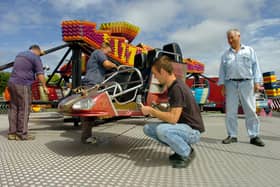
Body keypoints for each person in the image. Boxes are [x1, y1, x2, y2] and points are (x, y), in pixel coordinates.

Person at [141, 55, 205, 168]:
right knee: (148, 128)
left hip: (193, 131)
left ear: (163, 72)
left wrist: (152, 111)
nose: (155, 77)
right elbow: (175, 111)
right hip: (183, 127)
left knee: (162, 130)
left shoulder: (177, 88)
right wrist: (158, 108)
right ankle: (179, 149)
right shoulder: (173, 86)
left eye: (155, 74)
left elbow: (173, 118)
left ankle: (186, 152)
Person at [218, 29, 265, 146]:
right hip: (230, 84)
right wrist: (223, 85)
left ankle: (254, 136)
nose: (230, 40)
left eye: (232, 37)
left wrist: (257, 82)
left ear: (239, 36)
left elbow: (256, 67)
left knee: (250, 110)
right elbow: (222, 71)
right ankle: (232, 135)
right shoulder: (225, 55)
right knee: (230, 111)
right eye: (228, 38)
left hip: (247, 83)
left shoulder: (249, 51)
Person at [7, 44, 49, 140]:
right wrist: (44, 86)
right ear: (37, 51)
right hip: (23, 84)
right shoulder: (35, 57)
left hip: (11, 83)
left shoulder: (20, 54)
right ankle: (22, 134)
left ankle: (12, 133)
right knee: (24, 109)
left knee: (14, 108)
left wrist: (38, 54)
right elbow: (40, 74)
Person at [81, 42, 118, 144]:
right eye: (108, 52)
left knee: (88, 110)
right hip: (92, 84)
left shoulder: (94, 55)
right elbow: (106, 64)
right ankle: (86, 137)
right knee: (89, 111)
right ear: (104, 47)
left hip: (91, 84)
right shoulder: (99, 52)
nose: (107, 54)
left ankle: (86, 136)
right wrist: (115, 65)